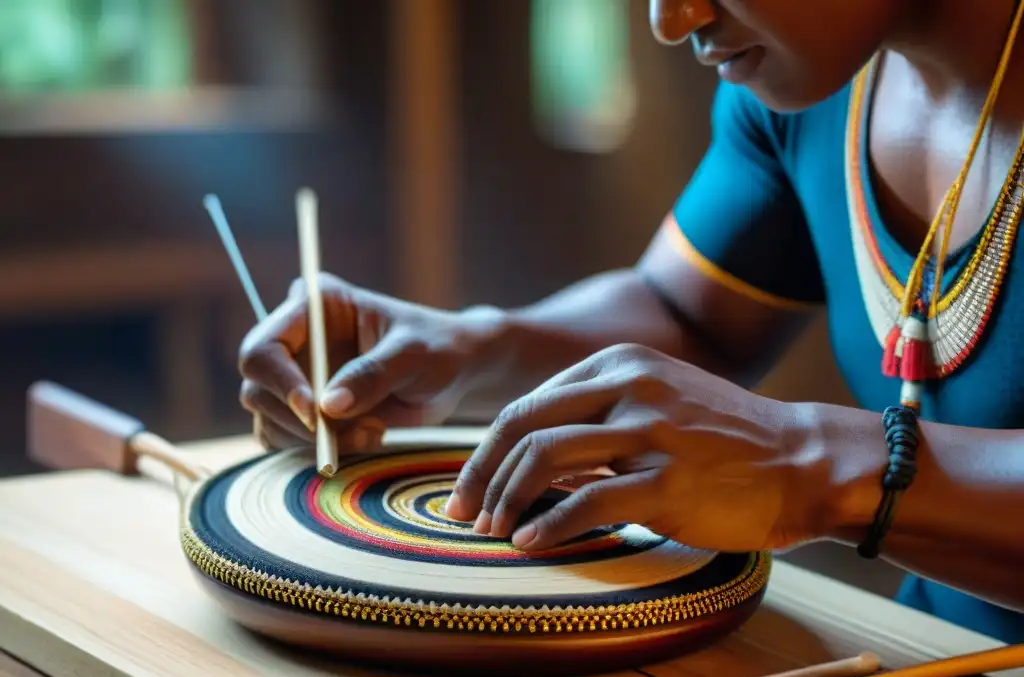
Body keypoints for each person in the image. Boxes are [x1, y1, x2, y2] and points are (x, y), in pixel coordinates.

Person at [237, 0, 1024, 644]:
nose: (669, 18)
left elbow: (789, 445)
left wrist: (810, 464)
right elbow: (689, 313)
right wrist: (470, 347)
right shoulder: (819, 89)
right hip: (944, 666)